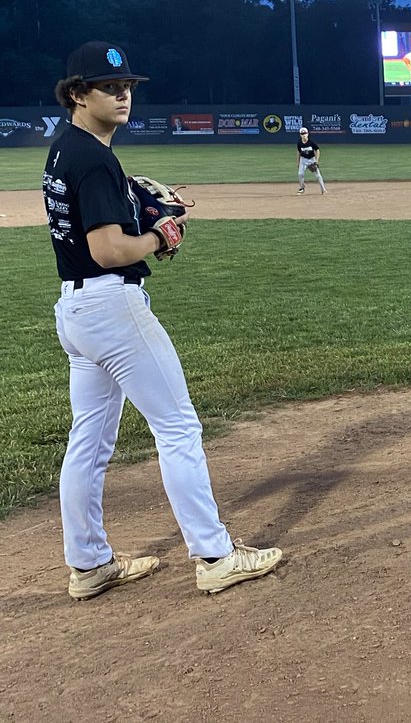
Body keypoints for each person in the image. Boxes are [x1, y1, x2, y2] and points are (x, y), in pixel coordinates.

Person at [44, 40, 283, 599]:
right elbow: (107, 250)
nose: (123, 95)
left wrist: (135, 203)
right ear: (78, 94)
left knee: (88, 442)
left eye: (127, 86)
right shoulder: (95, 158)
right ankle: (215, 554)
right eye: (109, 87)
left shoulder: (65, 149)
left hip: (76, 311)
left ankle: (88, 564)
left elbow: (92, 218)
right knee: (177, 428)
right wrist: (158, 234)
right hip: (111, 305)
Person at [296, 126, 326, 194]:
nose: (303, 135)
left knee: (318, 175)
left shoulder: (311, 142)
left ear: (307, 134)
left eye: (305, 133)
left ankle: (323, 189)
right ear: (300, 135)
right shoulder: (299, 143)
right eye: (302, 134)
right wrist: (298, 162)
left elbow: (317, 150)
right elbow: (298, 152)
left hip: (311, 160)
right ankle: (302, 188)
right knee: (300, 174)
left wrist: (316, 161)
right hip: (303, 160)